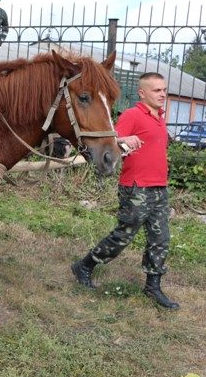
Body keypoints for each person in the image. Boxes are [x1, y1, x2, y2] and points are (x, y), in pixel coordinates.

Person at [70, 72, 179, 310]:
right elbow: (113, 138)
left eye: (164, 90)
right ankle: (85, 265)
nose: (162, 94)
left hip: (159, 187)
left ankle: (153, 286)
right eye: (156, 90)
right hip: (136, 188)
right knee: (123, 235)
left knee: (160, 239)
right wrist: (125, 139)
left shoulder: (160, 117)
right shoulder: (132, 115)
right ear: (142, 93)